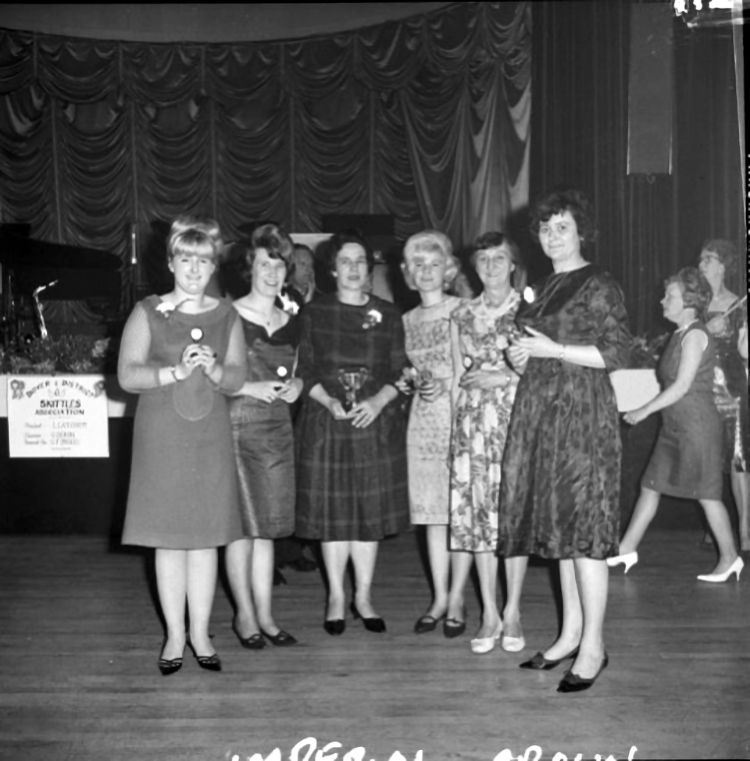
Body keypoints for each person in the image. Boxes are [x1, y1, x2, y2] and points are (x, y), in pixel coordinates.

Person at [498, 188, 631, 692]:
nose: (551, 236)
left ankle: (594, 646)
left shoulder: (599, 284)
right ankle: (570, 634)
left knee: (585, 535)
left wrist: (553, 348)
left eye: (562, 227)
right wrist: (523, 357)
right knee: (560, 533)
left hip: (582, 420)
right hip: (543, 415)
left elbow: (616, 354)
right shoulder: (547, 285)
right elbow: (538, 350)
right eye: (545, 228)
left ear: (581, 232)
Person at [118, 220, 247, 675]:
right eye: (186, 259)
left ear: (214, 265)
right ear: (171, 262)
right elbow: (127, 375)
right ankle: (174, 635)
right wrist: (172, 372)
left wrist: (212, 371)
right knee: (168, 541)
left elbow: (237, 379)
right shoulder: (148, 310)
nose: (195, 268)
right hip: (162, 436)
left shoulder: (227, 315)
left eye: (204, 260)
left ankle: (201, 632)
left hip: (208, 436)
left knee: (206, 540)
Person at [294, 231, 409, 635]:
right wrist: (328, 402)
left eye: (361, 261)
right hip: (327, 422)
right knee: (333, 516)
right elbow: (303, 369)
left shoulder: (389, 314)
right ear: (333, 268)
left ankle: (363, 594)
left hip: (372, 423)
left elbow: (402, 371)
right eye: (346, 261)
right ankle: (336, 597)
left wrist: (377, 402)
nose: (355, 268)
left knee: (367, 514)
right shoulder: (314, 313)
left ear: (370, 268)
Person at [608, 268, 743, 582]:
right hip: (676, 427)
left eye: (670, 295)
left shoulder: (695, 334)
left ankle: (730, 557)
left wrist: (642, 411)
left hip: (697, 428)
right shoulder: (681, 333)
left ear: (689, 301)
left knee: (707, 495)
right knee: (650, 485)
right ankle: (626, 548)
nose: (662, 300)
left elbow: (682, 386)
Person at [447, 232, 526, 654]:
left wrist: (503, 377)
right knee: (478, 519)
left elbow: (544, 373)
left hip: (515, 421)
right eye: (484, 259)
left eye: (500, 258)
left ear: (512, 264)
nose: (492, 266)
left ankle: (513, 610)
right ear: (474, 266)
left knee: (510, 517)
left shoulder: (530, 310)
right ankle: (490, 612)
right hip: (474, 426)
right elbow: (460, 376)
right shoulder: (462, 313)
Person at [225, 231, 303, 650]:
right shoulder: (228, 315)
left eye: (279, 265)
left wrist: (299, 386)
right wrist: (246, 389)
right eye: (264, 265)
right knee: (242, 528)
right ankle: (244, 615)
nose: (273, 273)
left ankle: (268, 617)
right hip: (236, 426)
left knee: (268, 530)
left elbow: (301, 369)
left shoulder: (292, 317)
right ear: (249, 270)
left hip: (277, 426)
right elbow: (211, 377)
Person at [399, 230, 461, 635]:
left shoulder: (463, 309)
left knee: (460, 516)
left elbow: (471, 366)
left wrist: (447, 382)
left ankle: (457, 600)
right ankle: (439, 597)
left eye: (433, 264)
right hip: (421, 421)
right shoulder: (406, 319)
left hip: (457, 416)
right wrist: (407, 380)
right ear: (407, 272)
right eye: (418, 264)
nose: (426, 272)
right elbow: (409, 368)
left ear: (448, 270)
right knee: (433, 518)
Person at [698, 239, 749, 551]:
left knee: (737, 461)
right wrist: (704, 329)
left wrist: (732, 330)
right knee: (708, 459)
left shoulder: (740, 304)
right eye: (701, 259)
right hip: (701, 387)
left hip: (731, 389)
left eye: (708, 259)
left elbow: (745, 352)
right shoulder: (696, 304)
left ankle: (745, 532)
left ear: (723, 266)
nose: (702, 264)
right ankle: (715, 527)